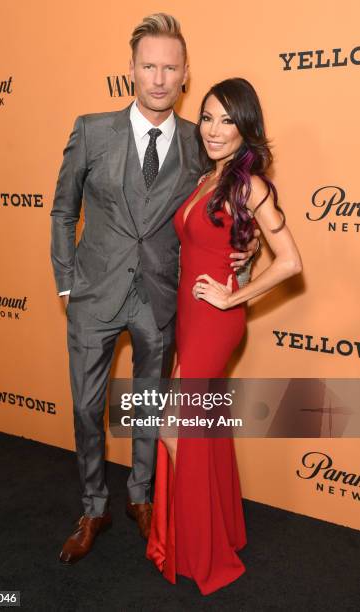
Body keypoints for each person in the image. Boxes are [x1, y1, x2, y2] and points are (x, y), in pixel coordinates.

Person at [50, 14, 258, 565]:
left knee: (148, 406)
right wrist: (67, 285)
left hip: (164, 298)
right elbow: (63, 209)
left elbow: (226, 208)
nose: (159, 78)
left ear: (186, 74)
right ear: (131, 70)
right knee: (86, 409)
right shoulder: (92, 129)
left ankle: (143, 496)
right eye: (149, 66)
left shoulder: (203, 140)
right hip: (93, 296)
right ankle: (94, 506)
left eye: (170, 67)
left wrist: (248, 249)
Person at [146, 78, 303, 595]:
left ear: (245, 128)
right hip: (192, 319)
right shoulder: (209, 178)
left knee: (176, 431)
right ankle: (219, 531)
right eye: (208, 117)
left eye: (226, 121)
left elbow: (293, 262)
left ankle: (200, 548)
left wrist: (235, 296)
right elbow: (228, 240)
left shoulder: (248, 184)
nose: (213, 130)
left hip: (214, 322)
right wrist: (247, 250)